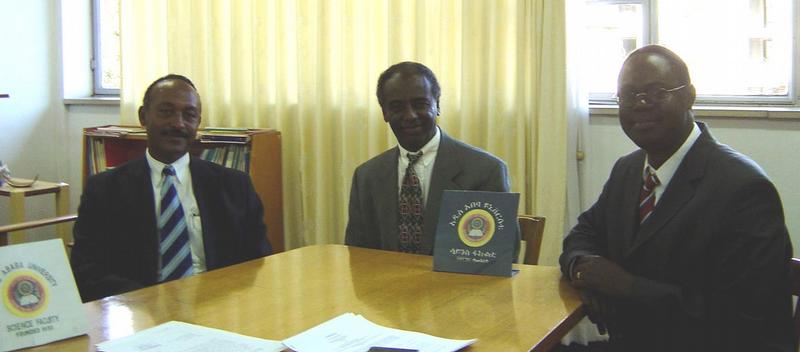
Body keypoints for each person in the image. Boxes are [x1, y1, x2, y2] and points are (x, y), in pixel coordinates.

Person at [560, 45, 796, 351]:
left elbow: (745, 321)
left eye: (657, 92)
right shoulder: (628, 170)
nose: (641, 104)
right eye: (629, 95)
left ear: (690, 97)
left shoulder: (744, 189)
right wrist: (585, 271)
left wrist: (626, 287)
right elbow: (582, 235)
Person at [71, 74, 271, 302]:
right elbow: (86, 270)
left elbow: (258, 262)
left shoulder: (234, 186)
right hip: (139, 310)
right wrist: (153, 300)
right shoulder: (105, 189)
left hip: (215, 305)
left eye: (189, 115)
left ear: (197, 123)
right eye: (166, 112)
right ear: (143, 117)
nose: (178, 123)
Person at [345, 61, 515, 255]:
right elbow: (358, 255)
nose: (410, 116)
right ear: (385, 112)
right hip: (386, 283)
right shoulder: (367, 177)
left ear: (438, 105)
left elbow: (502, 254)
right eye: (397, 107)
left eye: (420, 104)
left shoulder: (485, 171)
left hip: (459, 284)